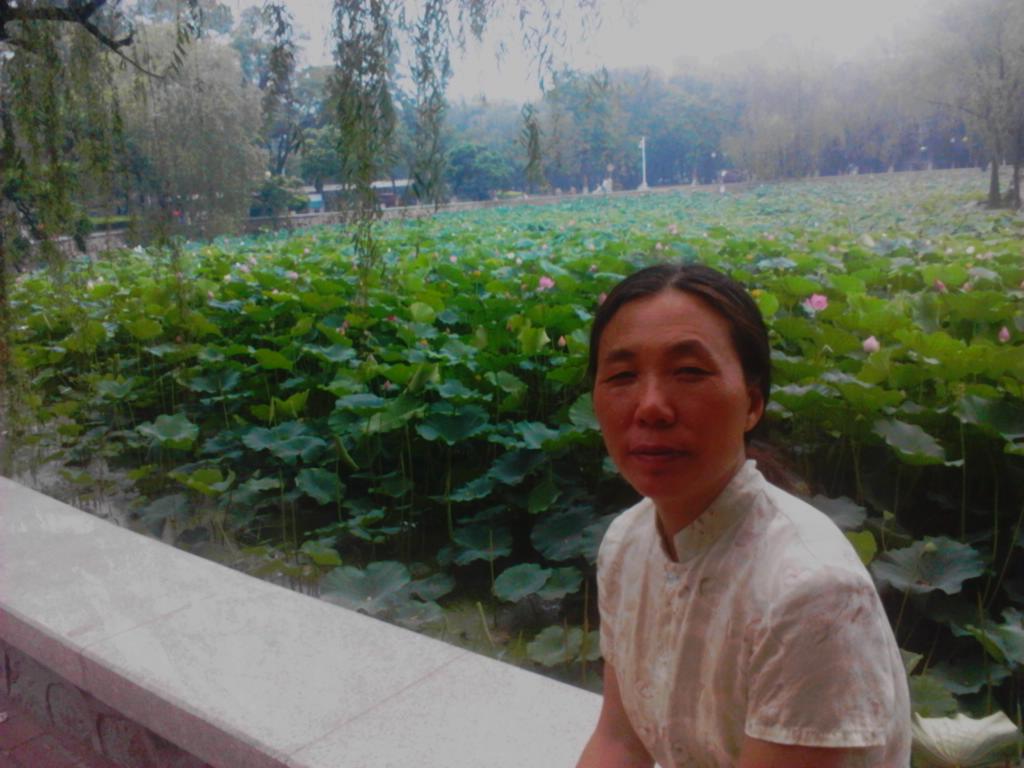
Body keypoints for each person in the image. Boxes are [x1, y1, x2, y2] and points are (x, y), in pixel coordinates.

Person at [576, 263, 911, 768]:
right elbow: (620, 742)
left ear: (752, 402)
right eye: (622, 376)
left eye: (689, 372)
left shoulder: (810, 592)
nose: (650, 407)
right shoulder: (627, 541)